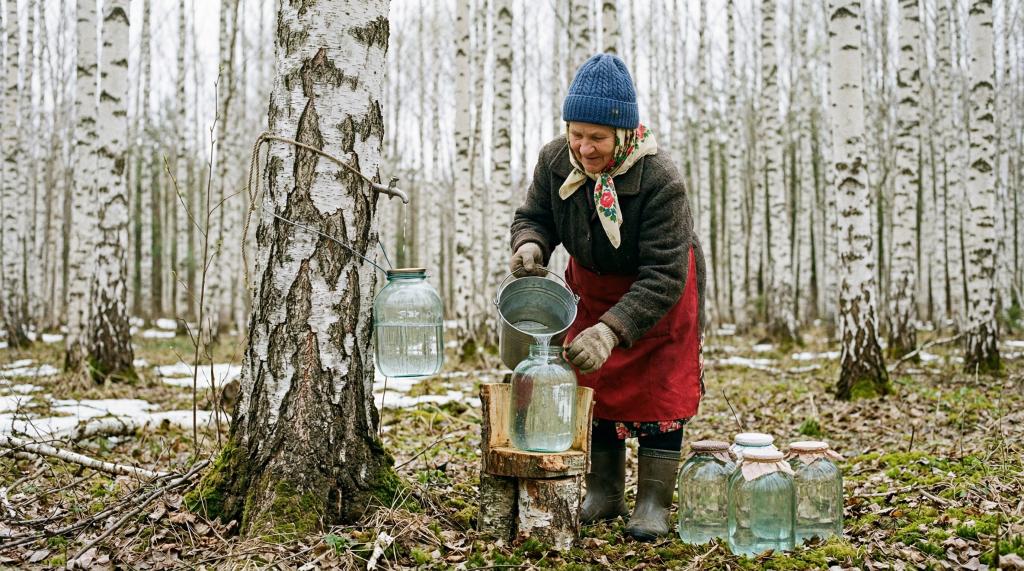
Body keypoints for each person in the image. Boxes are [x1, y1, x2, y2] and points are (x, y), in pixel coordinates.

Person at [509, 53, 706, 541]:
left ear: (623, 134)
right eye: (577, 134)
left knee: (661, 391)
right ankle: (605, 491)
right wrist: (530, 245)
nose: (584, 147)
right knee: (593, 382)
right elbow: (535, 215)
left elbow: (664, 273)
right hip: (591, 289)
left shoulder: (661, 179)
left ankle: (655, 502)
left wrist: (613, 330)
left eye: (597, 138)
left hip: (657, 292)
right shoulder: (556, 160)